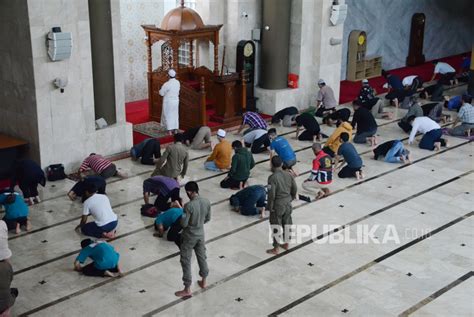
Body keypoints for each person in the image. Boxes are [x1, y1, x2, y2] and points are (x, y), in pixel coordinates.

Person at [175, 181, 211, 298]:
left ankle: (187, 288)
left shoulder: (189, 206)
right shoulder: (206, 201)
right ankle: (204, 281)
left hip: (189, 236)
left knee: (185, 260)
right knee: (202, 257)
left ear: (189, 192)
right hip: (201, 234)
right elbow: (208, 218)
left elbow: (184, 224)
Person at [266, 156, 297, 255]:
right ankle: (286, 243)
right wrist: (290, 198)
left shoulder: (272, 178)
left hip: (278, 204)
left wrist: (270, 207)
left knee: (276, 225)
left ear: (272, 165)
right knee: (287, 223)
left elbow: (271, 195)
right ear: (281, 164)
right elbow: (294, 189)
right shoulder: (289, 175)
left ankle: (276, 248)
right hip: (287, 203)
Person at [0, 220, 17, 316]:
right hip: (5, 302)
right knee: (13, 291)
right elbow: (10, 280)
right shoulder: (2, 224)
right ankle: (6, 311)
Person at [159, 69, 181, 134]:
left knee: (168, 115)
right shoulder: (177, 82)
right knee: (175, 115)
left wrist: (160, 90)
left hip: (168, 102)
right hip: (176, 101)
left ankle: (169, 131)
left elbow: (161, 93)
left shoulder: (167, 84)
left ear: (168, 76)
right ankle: (176, 129)